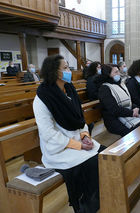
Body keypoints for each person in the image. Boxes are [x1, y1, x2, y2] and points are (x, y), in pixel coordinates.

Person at [33, 55, 105, 213]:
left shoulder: (69, 90)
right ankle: (86, 206)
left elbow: (80, 119)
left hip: (78, 142)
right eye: (65, 68)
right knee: (93, 164)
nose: (69, 71)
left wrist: (85, 136)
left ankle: (104, 199)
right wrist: (78, 145)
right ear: (55, 72)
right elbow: (48, 134)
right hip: (60, 149)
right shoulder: (42, 99)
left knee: (106, 154)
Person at [98, 64, 140, 137]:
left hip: (126, 113)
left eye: (118, 71)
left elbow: (129, 100)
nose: (119, 74)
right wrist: (132, 112)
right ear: (108, 74)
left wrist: (135, 107)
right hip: (113, 120)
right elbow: (114, 109)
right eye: (116, 72)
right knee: (135, 132)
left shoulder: (120, 84)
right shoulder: (104, 89)